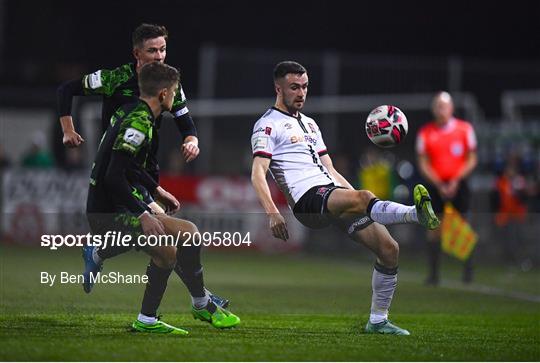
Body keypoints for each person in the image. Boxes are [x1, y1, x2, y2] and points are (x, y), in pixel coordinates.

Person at [250, 61, 440, 336]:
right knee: (364, 198)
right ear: (278, 88)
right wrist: (272, 212)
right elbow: (258, 173)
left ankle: (377, 320)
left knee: (389, 249)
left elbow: (331, 170)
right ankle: (414, 214)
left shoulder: (311, 124)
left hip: (330, 194)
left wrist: (358, 200)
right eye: (294, 87)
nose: (301, 93)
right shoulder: (267, 125)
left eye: (304, 87)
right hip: (307, 201)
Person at [85, 62, 240, 335]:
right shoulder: (139, 121)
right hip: (107, 211)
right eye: (175, 91)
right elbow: (113, 176)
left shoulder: (133, 111)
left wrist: (157, 190)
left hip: (121, 203)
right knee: (167, 251)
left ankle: (200, 302)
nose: (176, 97)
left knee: (190, 233)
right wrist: (143, 214)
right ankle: (147, 320)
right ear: (164, 94)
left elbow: (127, 166)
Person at [416, 91, 478, 285]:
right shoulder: (425, 133)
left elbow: (472, 159)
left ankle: (468, 272)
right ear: (433, 109)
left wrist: (455, 180)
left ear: (451, 108)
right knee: (434, 227)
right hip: (436, 187)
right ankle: (434, 274)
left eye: (444, 106)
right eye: (437, 106)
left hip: (459, 185)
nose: (440, 109)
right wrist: (439, 183)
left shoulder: (465, 129)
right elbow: (423, 162)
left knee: (464, 225)